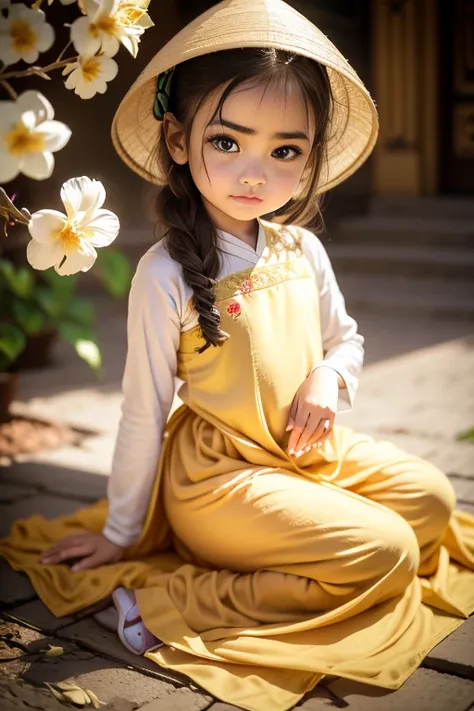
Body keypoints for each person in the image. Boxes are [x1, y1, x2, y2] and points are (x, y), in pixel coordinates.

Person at [1, 1, 473, 710]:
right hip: (220, 482)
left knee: (436, 503)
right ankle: (163, 600)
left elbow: (347, 339)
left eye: (285, 150)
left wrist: (326, 374)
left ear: (310, 156)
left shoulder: (302, 248)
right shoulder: (164, 274)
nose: (256, 172)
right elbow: (142, 411)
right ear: (180, 139)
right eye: (229, 142)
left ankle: (307, 521)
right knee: (387, 552)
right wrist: (122, 533)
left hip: (308, 453)